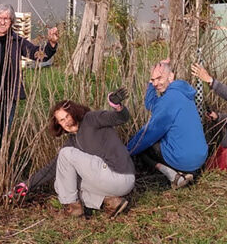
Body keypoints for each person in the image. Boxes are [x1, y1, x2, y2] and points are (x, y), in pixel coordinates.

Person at [11, 89, 135, 218]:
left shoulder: (91, 119)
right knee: (61, 185)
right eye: (61, 120)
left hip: (120, 175)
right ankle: (111, 202)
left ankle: (73, 207)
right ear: (58, 124)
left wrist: (117, 106)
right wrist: (26, 185)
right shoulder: (72, 142)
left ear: (74, 112)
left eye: (67, 116)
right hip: (109, 183)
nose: (66, 122)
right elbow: (51, 169)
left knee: (65, 157)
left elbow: (121, 118)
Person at [0, 3, 58, 164]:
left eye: (7, 18)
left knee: (4, 139)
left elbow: (40, 55)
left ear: (12, 22)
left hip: (10, 98)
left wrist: (51, 44)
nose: (2, 22)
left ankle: (0, 174)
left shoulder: (17, 41)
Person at [127, 60, 208, 188]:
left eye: (159, 78)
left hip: (184, 159)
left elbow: (148, 134)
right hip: (200, 157)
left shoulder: (169, 100)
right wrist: (151, 83)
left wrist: (127, 151)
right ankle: (189, 172)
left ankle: (174, 175)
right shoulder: (182, 93)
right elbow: (151, 104)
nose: (155, 83)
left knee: (144, 146)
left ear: (171, 76)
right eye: (152, 80)